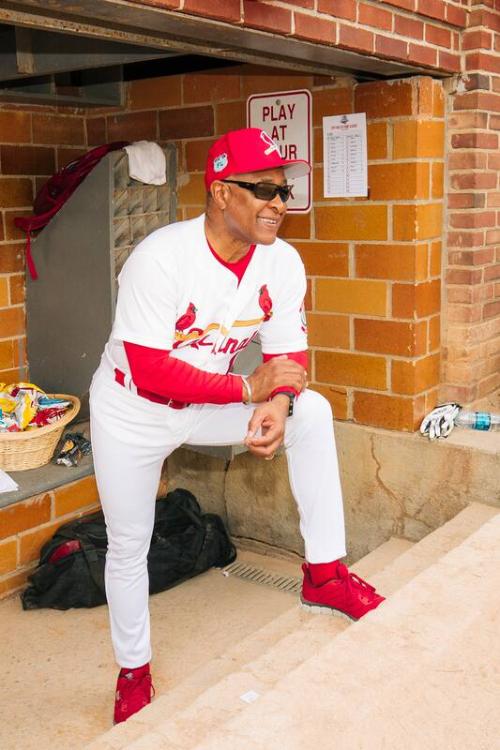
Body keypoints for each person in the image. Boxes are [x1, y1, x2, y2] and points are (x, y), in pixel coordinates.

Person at [89, 127, 384, 724]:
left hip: (208, 404)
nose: (280, 202)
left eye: (285, 190)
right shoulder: (161, 256)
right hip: (131, 411)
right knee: (128, 544)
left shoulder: (282, 262)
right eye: (264, 190)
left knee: (313, 413)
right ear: (222, 192)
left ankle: (325, 574)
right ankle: (134, 670)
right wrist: (249, 389)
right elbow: (149, 367)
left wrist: (275, 405)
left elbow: (288, 360)